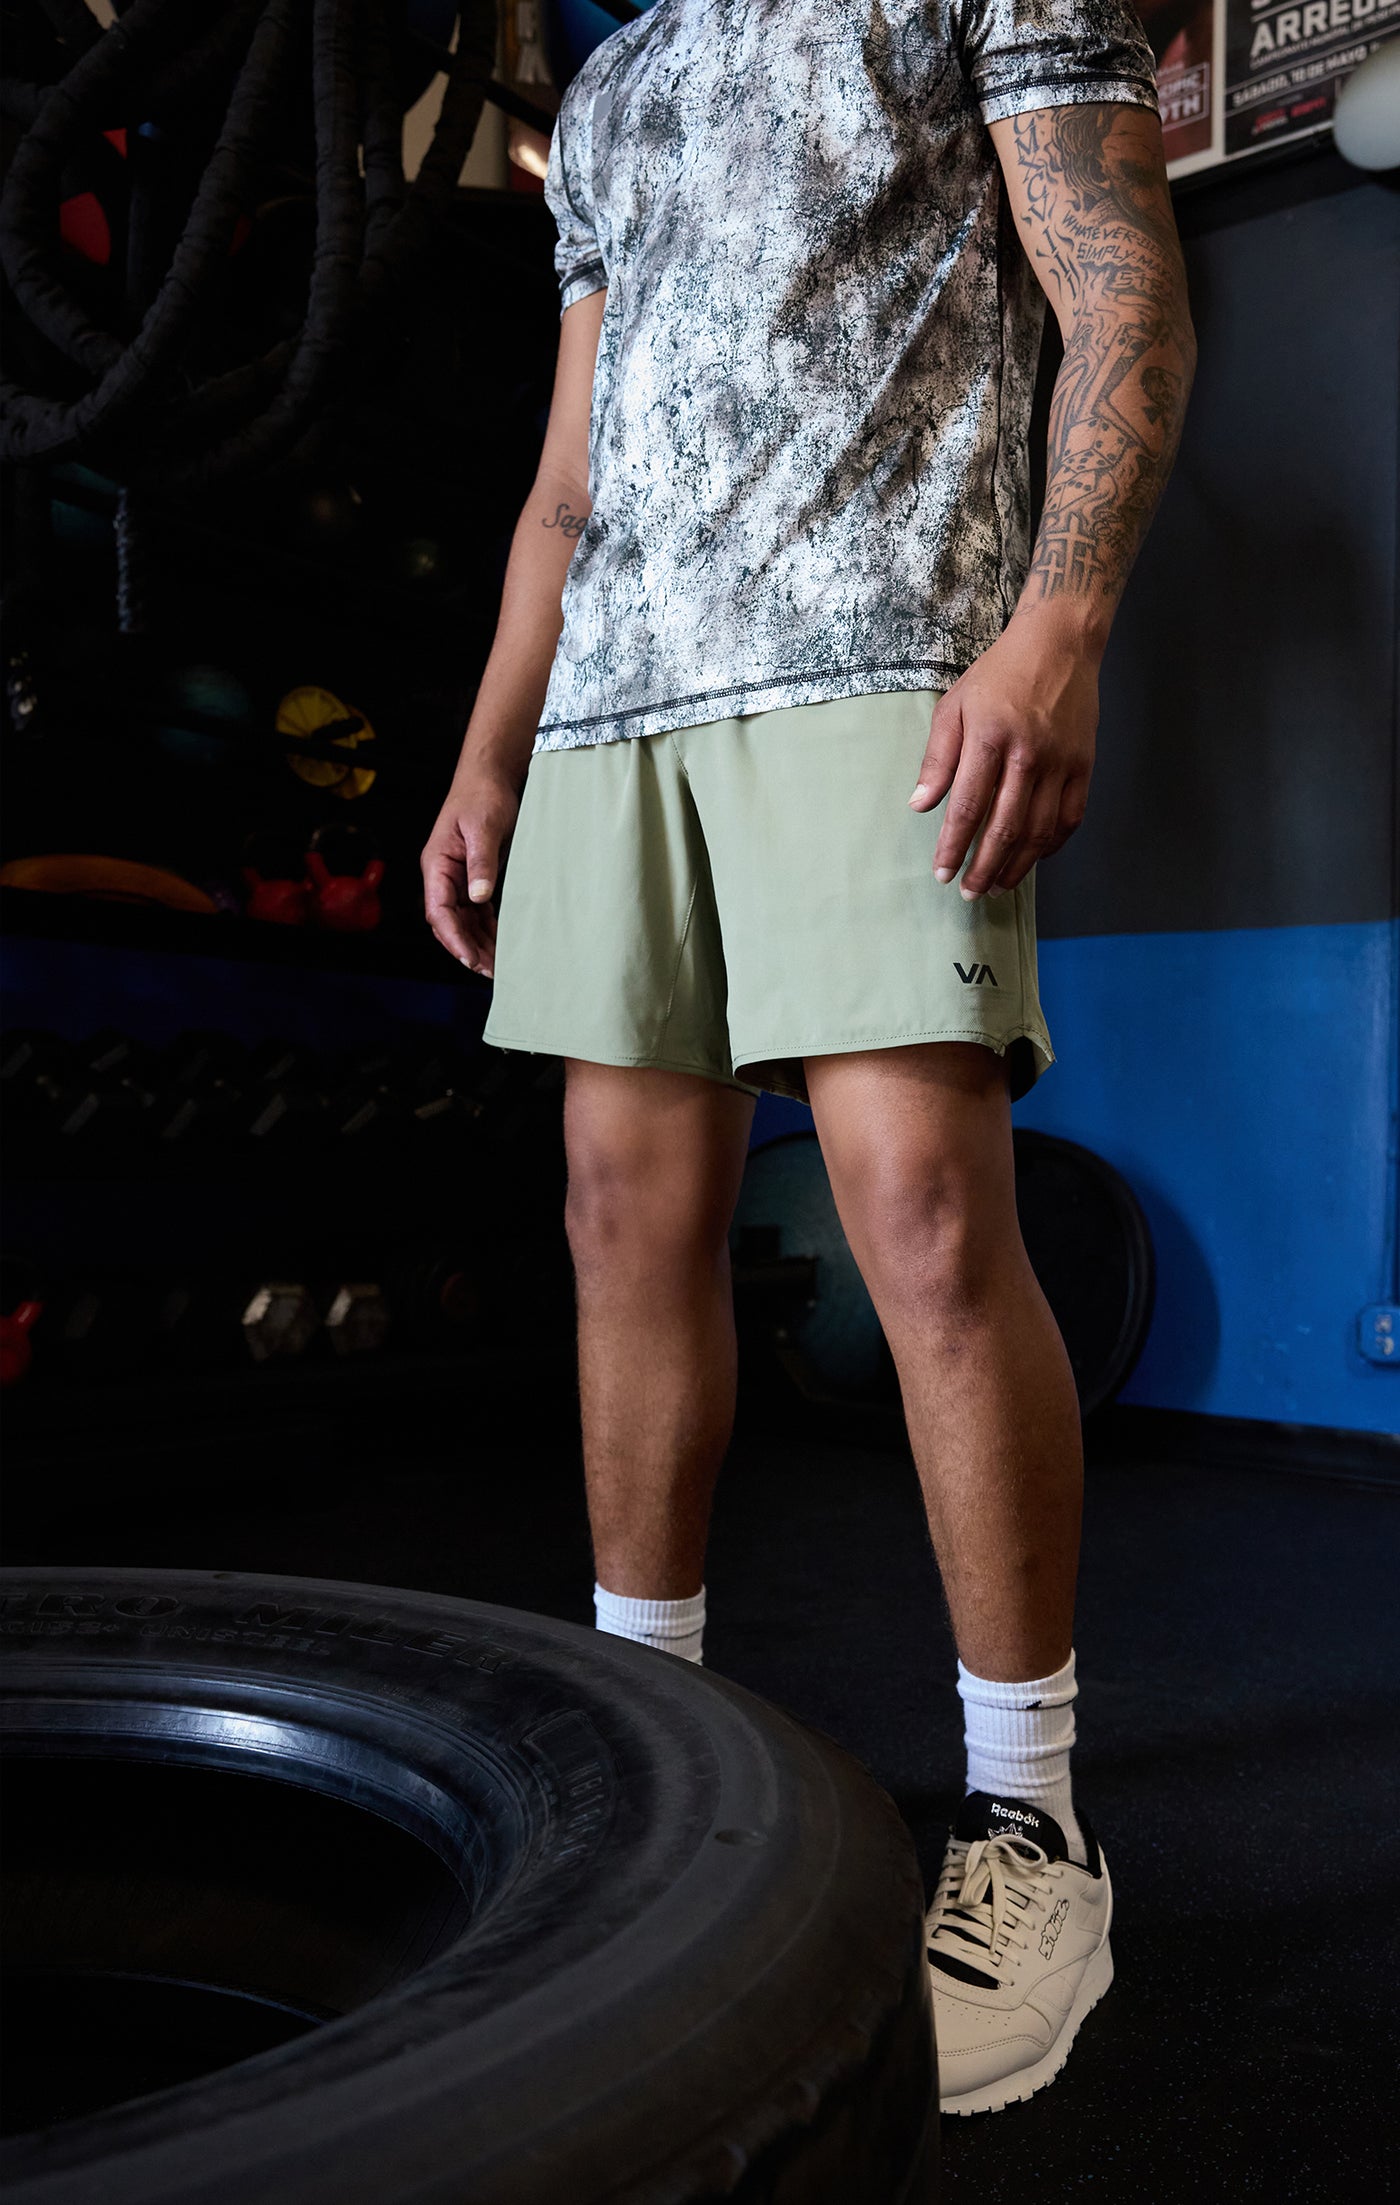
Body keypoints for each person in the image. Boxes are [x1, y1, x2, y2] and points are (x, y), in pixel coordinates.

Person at [422, 0, 1195, 2118]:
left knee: (923, 1220)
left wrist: (1055, 628)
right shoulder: (611, 86)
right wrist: (492, 746)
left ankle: (1031, 1824)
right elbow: (566, 484)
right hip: (618, 714)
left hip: (878, 647)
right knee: (619, 1220)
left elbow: (1119, 281)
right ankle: (638, 1747)